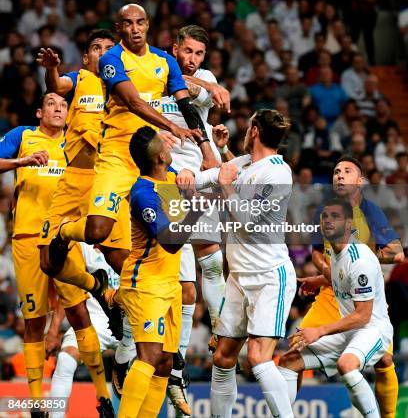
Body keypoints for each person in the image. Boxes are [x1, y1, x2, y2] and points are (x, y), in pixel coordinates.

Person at [44, 5, 205, 306]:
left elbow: (186, 102)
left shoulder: (165, 61)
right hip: (115, 157)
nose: (135, 28)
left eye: (140, 22)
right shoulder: (109, 61)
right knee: (95, 232)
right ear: (120, 28)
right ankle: (66, 232)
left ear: (148, 25)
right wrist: (170, 125)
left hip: (149, 157)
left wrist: (207, 148)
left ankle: (168, 342)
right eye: (128, 23)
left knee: (172, 236)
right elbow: (131, 101)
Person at [182, 109, 296, 418]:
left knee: (258, 358)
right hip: (239, 279)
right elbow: (214, 176)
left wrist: (227, 183)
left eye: (248, 127)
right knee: (222, 356)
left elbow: (246, 218)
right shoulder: (245, 163)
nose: (244, 132)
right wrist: (186, 174)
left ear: (255, 130)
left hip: (269, 277)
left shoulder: (278, 172)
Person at [37, 31, 119, 415]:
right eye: (96, 49)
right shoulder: (81, 79)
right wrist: (53, 70)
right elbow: (57, 84)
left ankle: (130, 320)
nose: (102, 54)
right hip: (73, 180)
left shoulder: (122, 87)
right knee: (48, 261)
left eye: (108, 49)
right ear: (86, 57)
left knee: (119, 253)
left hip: (106, 180)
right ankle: (96, 286)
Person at [291, 156, 403, 418]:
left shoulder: (370, 210)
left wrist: (358, 267)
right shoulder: (326, 210)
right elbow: (317, 253)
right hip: (331, 295)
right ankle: (286, 412)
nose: (339, 175)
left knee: (385, 360)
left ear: (360, 181)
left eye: (347, 171)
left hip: (363, 296)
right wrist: (328, 273)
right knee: (295, 350)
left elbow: (396, 253)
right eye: (336, 171)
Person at [110, 125, 208, 418]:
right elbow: (170, 243)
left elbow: (198, 175)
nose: (169, 145)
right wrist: (195, 210)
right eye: (163, 143)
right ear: (160, 157)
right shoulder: (143, 194)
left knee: (165, 361)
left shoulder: (167, 177)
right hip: (145, 285)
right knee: (150, 355)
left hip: (169, 285)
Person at [161, 25, 230, 414]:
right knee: (185, 290)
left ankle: (220, 327)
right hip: (169, 180)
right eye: (187, 52)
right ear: (174, 48)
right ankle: (175, 365)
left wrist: (185, 74)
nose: (194, 59)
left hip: (201, 177)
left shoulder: (204, 79)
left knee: (212, 256)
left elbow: (205, 92)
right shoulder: (155, 72)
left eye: (199, 54)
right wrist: (173, 70)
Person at [0, 94, 74, 417]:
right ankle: (35, 401)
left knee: (73, 310)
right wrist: (22, 162)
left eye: (63, 105)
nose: (58, 109)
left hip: (65, 237)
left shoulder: (76, 142)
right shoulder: (23, 136)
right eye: (52, 104)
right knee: (33, 322)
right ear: (40, 112)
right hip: (28, 239)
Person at [49, 243, 125, 418]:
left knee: (154, 365)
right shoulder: (83, 245)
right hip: (94, 321)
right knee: (65, 360)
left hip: (131, 321)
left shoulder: (134, 233)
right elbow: (69, 292)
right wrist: (53, 331)